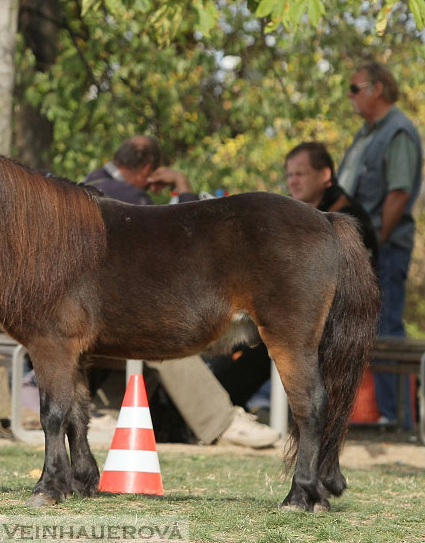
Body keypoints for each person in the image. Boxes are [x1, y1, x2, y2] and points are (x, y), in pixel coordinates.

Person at [82, 135, 281, 449]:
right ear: (149, 168)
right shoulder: (125, 195)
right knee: (167, 335)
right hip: (99, 316)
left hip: (92, 310)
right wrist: (182, 186)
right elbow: (187, 243)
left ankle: (110, 412)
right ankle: (223, 422)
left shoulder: (91, 185)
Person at [210, 141, 381, 409]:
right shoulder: (295, 216)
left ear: (325, 175)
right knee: (227, 330)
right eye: (289, 175)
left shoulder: (349, 216)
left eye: (300, 174)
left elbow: (351, 290)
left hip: (340, 319)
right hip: (299, 313)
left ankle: (215, 409)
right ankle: (203, 407)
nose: (293, 181)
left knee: (267, 342)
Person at [337, 60, 422, 429]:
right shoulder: (366, 133)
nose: (350, 96)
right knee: (365, 326)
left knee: (386, 326)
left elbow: (399, 192)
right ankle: (380, 414)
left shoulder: (398, 131)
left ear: (379, 89)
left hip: (385, 247)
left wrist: (379, 240)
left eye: (355, 88)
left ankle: (397, 417)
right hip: (361, 247)